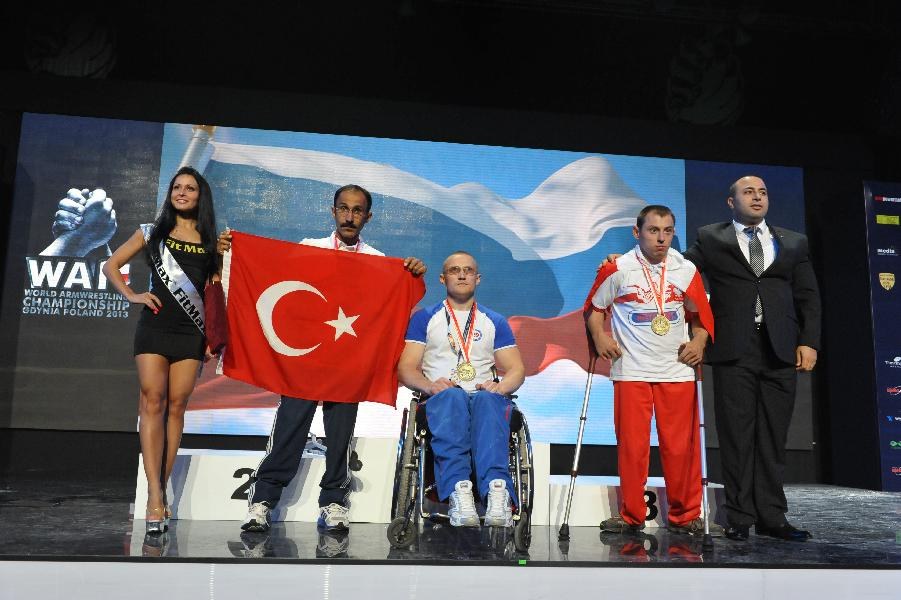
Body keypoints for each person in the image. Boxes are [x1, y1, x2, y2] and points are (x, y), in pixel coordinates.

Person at [217, 184, 426, 533]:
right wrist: (234, 250)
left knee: (341, 437)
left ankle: (333, 502)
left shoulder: (377, 260)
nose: (349, 215)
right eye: (343, 208)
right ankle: (262, 500)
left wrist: (411, 275)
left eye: (357, 210)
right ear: (333, 211)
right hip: (305, 362)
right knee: (288, 429)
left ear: (368, 217)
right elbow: (271, 273)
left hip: (347, 364)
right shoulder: (308, 248)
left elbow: (391, 307)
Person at [682, 176, 820, 541]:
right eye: (749, 192)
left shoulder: (793, 241)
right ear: (731, 202)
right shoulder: (712, 238)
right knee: (736, 435)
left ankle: (773, 517)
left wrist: (809, 341)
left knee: (773, 436)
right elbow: (678, 273)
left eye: (763, 192)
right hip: (733, 348)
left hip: (780, 349)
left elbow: (809, 296)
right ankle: (739, 516)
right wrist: (628, 261)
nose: (757, 197)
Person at [102, 166, 221, 534]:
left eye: (190, 188)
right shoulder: (151, 232)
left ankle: (159, 489)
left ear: (200, 197)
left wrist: (215, 337)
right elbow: (111, 264)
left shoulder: (210, 239)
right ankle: (155, 494)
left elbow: (214, 292)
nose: (182, 193)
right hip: (154, 326)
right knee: (151, 400)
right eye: (177, 187)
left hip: (190, 331)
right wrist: (132, 294)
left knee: (176, 406)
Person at [586, 205, 717, 536]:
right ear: (637, 232)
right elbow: (594, 309)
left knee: (680, 448)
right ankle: (631, 515)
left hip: (677, 369)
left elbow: (701, 317)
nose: (661, 238)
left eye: (668, 231)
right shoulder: (617, 269)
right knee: (632, 447)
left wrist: (699, 342)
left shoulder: (686, 269)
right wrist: (600, 336)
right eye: (653, 230)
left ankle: (685, 515)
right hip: (631, 370)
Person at [397, 251, 526, 527]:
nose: (462, 274)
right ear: (443, 279)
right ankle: (459, 492)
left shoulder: (494, 321)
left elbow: (516, 369)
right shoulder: (425, 319)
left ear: (477, 279)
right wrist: (430, 386)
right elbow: (406, 368)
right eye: (455, 270)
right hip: (441, 398)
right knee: (452, 396)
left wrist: (501, 387)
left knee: (487, 400)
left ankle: (497, 492)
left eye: (468, 270)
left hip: (482, 397)